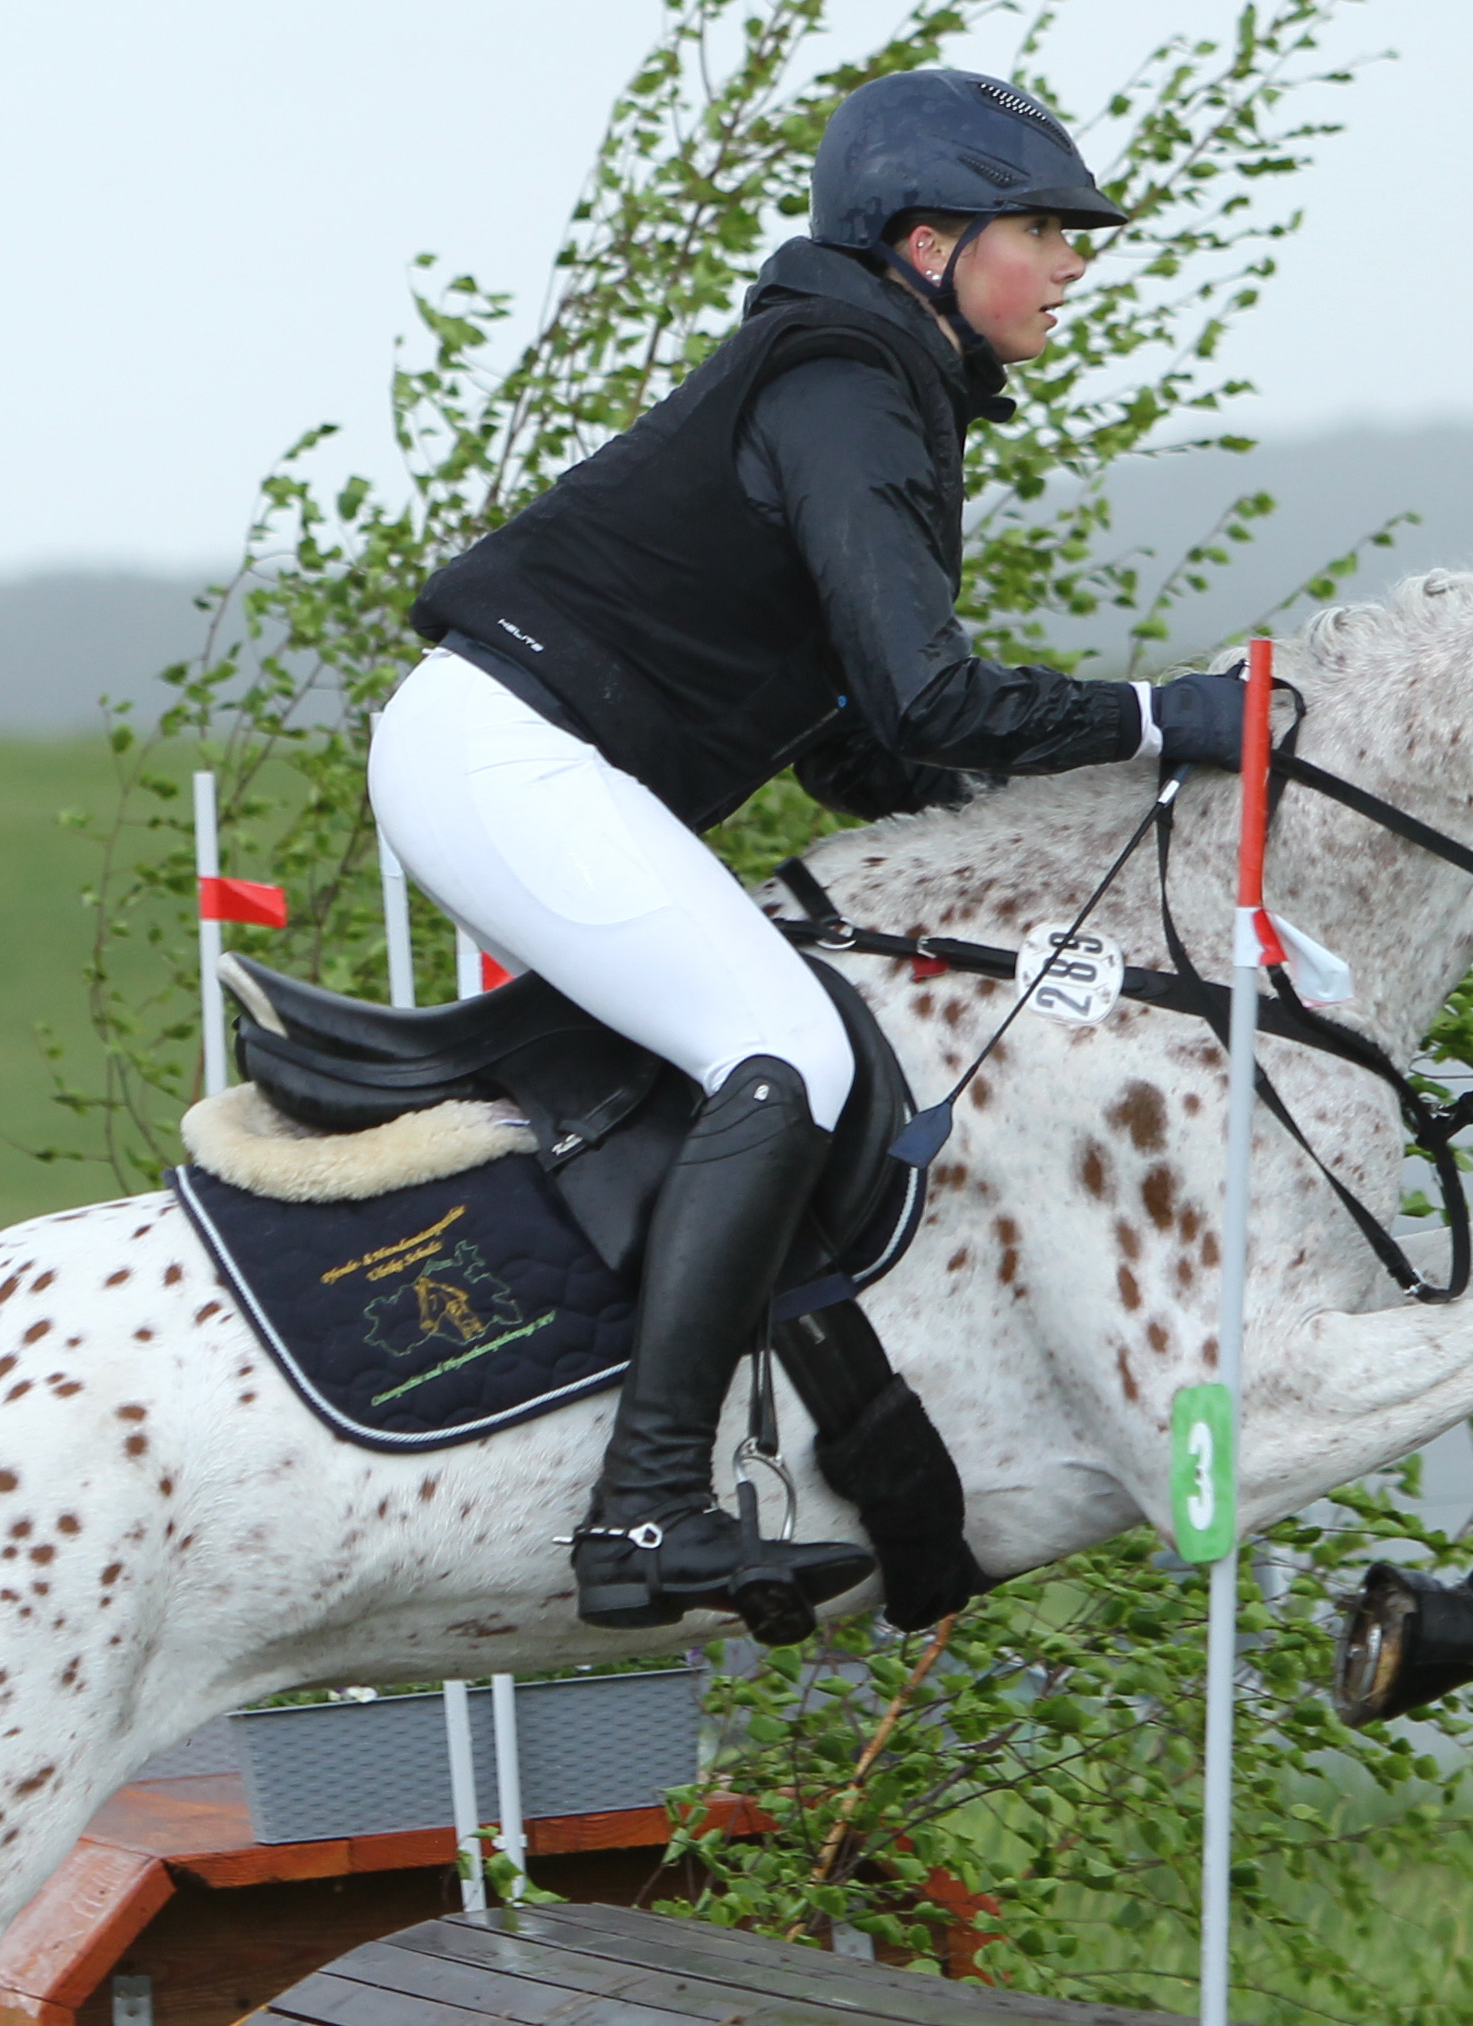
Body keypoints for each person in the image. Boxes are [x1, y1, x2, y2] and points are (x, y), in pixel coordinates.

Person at [371, 66, 1248, 1635]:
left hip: (516, 752)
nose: (1071, 264)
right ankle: (642, 1511)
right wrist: (1158, 718)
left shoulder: (873, 381)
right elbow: (932, 696)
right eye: (1042, 230)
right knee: (781, 1043)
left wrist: (1034, 839)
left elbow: (866, 742)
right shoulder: (847, 382)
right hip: (499, 750)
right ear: (927, 245)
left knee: (801, 1015)